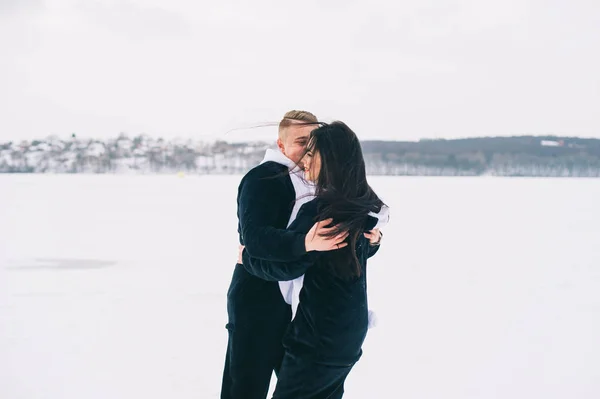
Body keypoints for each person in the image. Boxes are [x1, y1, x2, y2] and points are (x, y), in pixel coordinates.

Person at [241, 121, 389, 398]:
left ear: (330, 158)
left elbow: (287, 266)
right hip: (348, 335)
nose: (304, 161)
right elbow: (354, 252)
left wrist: (247, 259)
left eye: (312, 153)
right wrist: (376, 242)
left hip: (316, 339)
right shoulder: (363, 206)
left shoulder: (319, 211)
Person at [220, 111, 348, 399]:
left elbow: (338, 240)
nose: (309, 148)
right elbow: (255, 239)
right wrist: (303, 243)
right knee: (246, 387)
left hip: (305, 307)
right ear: (282, 145)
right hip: (258, 299)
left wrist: (373, 240)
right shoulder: (262, 178)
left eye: (314, 141)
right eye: (301, 141)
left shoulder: (322, 180)